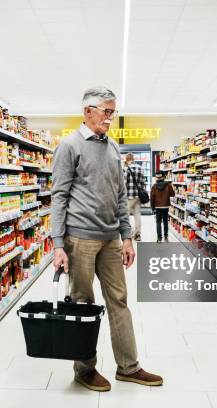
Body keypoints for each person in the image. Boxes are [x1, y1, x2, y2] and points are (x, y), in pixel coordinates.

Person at [51, 86, 163, 392]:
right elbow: (58, 197)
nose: (111, 118)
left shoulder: (113, 148)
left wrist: (127, 237)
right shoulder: (69, 146)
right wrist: (58, 244)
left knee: (119, 301)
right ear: (88, 112)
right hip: (80, 239)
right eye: (106, 112)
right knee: (84, 304)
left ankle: (129, 366)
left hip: (112, 239)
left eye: (113, 112)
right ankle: (84, 369)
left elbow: (120, 196)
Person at [124, 153, 144, 241]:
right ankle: (138, 234)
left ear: (127, 159)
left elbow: (124, 183)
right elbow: (143, 182)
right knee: (137, 214)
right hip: (138, 196)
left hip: (129, 195)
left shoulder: (127, 168)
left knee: (125, 214)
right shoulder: (140, 168)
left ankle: (128, 233)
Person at [150, 172, 174, 243]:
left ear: (157, 178)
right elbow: (173, 194)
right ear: (163, 177)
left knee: (158, 222)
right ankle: (166, 237)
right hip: (165, 206)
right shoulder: (168, 185)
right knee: (165, 222)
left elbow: (152, 198)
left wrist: (152, 207)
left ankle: (159, 238)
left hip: (157, 207)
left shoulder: (154, 186)